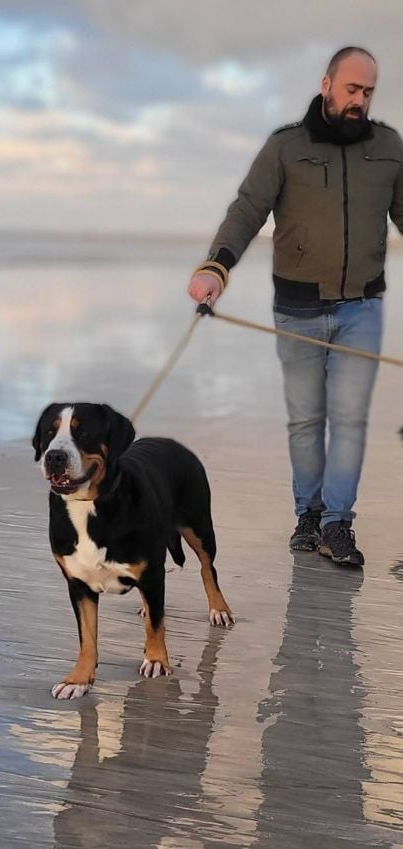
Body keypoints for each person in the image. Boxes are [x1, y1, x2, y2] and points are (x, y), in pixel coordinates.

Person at [188, 46, 403, 567]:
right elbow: (247, 210)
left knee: (349, 420)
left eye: (368, 92)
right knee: (307, 421)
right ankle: (307, 514)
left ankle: (336, 524)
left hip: (362, 309)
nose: (360, 101)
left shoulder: (389, 147)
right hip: (299, 308)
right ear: (327, 83)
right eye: (352, 89)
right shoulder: (285, 146)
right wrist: (216, 266)